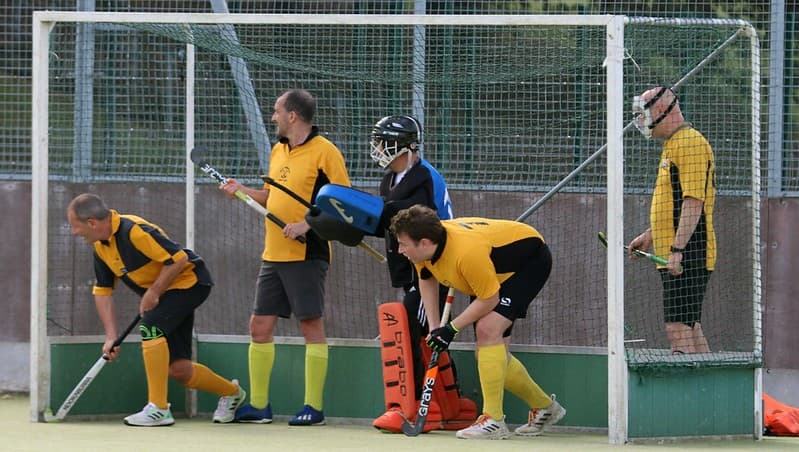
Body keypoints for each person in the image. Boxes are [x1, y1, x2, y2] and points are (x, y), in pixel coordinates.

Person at [220, 89, 351, 426]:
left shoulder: (326, 152)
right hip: (273, 254)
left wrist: (306, 225)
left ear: (293, 115)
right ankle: (260, 407)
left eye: (277, 111)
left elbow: (343, 201)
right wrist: (242, 192)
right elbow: (271, 196)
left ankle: (314, 407)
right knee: (259, 326)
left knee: (310, 325)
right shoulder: (278, 150)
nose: (273, 116)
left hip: (307, 253)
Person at [66, 193, 245, 427]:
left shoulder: (134, 231)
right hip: (167, 294)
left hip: (190, 282)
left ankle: (158, 409)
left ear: (91, 222)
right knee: (179, 370)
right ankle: (232, 393)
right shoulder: (101, 248)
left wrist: (153, 293)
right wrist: (111, 336)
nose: (73, 232)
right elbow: (103, 292)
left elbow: (178, 259)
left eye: (74, 226)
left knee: (150, 327)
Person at [389, 205, 566, 440]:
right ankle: (545, 407)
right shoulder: (424, 251)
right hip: (486, 273)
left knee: (487, 330)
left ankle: (493, 420)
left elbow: (490, 298)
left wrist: (451, 329)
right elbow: (427, 279)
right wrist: (435, 328)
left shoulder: (465, 253)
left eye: (403, 244)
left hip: (525, 263)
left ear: (423, 242)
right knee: (488, 353)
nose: (400, 250)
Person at [368, 115, 475, 432]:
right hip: (409, 269)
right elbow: (392, 225)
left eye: (381, 142)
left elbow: (416, 222)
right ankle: (451, 406)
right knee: (428, 335)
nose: (375, 148)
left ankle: (411, 408)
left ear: (399, 145)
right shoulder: (391, 178)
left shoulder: (423, 177)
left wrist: (362, 210)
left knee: (412, 332)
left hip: (435, 270)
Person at [628, 86, 716, 355]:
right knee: (690, 325)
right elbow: (674, 203)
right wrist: (651, 235)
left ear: (661, 110)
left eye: (643, 114)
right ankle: (709, 390)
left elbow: (693, 201)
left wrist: (678, 251)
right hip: (678, 251)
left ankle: (687, 391)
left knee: (677, 329)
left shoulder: (690, 143)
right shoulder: (673, 144)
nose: (640, 121)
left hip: (690, 251)